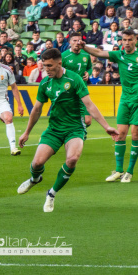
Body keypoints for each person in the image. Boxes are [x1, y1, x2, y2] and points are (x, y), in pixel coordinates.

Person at [17, 48, 119, 212]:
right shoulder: (44, 83)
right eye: (44, 66)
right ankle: (35, 179)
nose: (46, 69)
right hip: (54, 129)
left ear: (59, 63)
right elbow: (36, 109)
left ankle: (51, 194)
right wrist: (26, 132)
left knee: (72, 159)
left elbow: (89, 105)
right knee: (36, 163)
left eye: (49, 66)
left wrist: (106, 127)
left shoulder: (74, 79)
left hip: (75, 129)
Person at [80, 29, 138, 182]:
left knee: (136, 135)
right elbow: (100, 53)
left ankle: (129, 172)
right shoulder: (119, 54)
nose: (126, 42)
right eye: (124, 40)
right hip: (125, 100)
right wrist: (84, 46)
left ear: (135, 40)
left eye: (130, 40)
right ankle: (119, 170)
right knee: (120, 135)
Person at [61, 33, 93, 126]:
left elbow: (89, 68)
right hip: (69, 91)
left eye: (79, 40)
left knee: (87, 120)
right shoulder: (64, 56)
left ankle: (78, 135)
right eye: (74, 40)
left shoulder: (86, 55)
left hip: (83, 91)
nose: (77, 43)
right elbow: (58, 72)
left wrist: (88, 73)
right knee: (70, 120)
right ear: (70, 42)